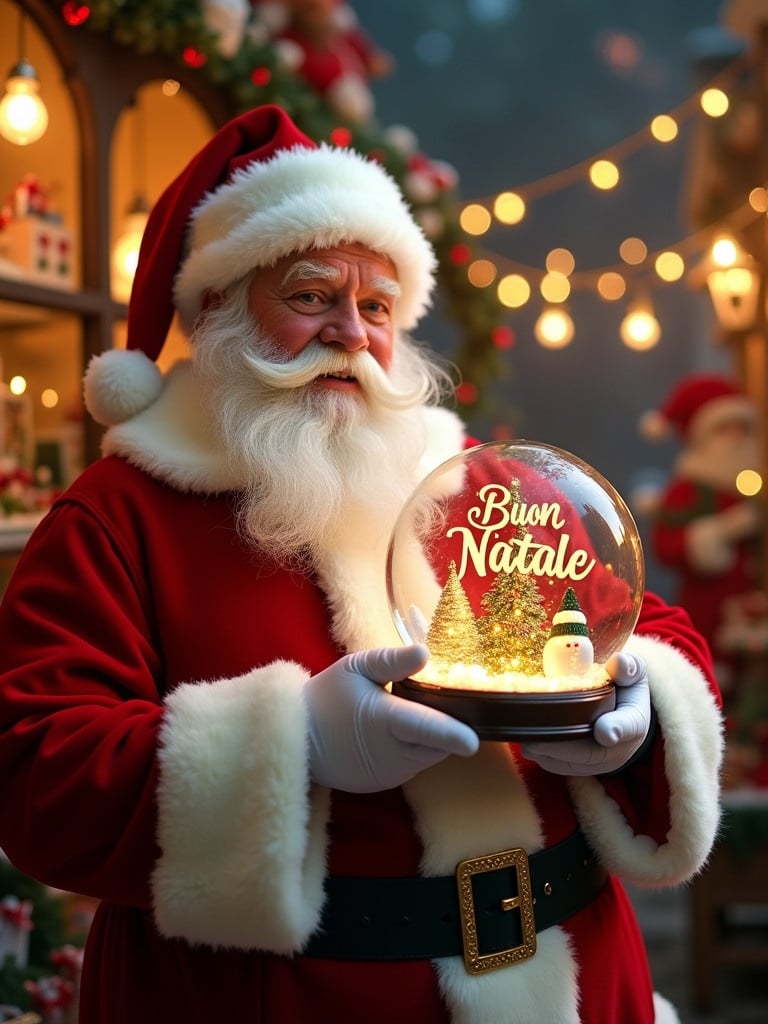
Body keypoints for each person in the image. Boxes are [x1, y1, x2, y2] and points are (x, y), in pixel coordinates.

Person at [0, 105, 723, 1024]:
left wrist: (636, 704)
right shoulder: (119, 515)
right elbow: (35, 774)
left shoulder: (482, 482)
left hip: (576, 975)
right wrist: (292, 748)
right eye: (310, 295)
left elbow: (644, 624)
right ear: (218, 310)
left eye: (376, 306)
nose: (351, 330)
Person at [640, 372, 763, 693]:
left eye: (742, 428)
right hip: (706, 604)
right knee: (711, 675)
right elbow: (666, 545)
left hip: (751, 602)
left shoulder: (751, 483)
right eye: (726, 428)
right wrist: (722, 532)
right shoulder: (688, 489)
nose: (737, 437)